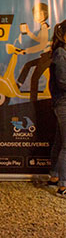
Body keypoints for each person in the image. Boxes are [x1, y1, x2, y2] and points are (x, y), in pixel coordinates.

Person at [16, 3, 52, 102]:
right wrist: (28, 32)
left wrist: (26, 51)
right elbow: (39, 40)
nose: (38, 16)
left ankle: (33, 101)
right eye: (36, 14)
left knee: (34, 78)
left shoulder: (44, 27)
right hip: (46, 56)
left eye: (41, 14)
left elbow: (41, 45)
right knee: (28, 65)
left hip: (47, 57)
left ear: (45, 14)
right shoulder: (43, 26)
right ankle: (18, 84)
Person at [49, 20, 66, 197]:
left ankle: (54, 176)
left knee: (60, 141)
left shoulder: (59, 52)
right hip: (63, 101)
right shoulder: (61, 53)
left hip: (60, 101)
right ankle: (63, 184)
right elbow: (62, 81)